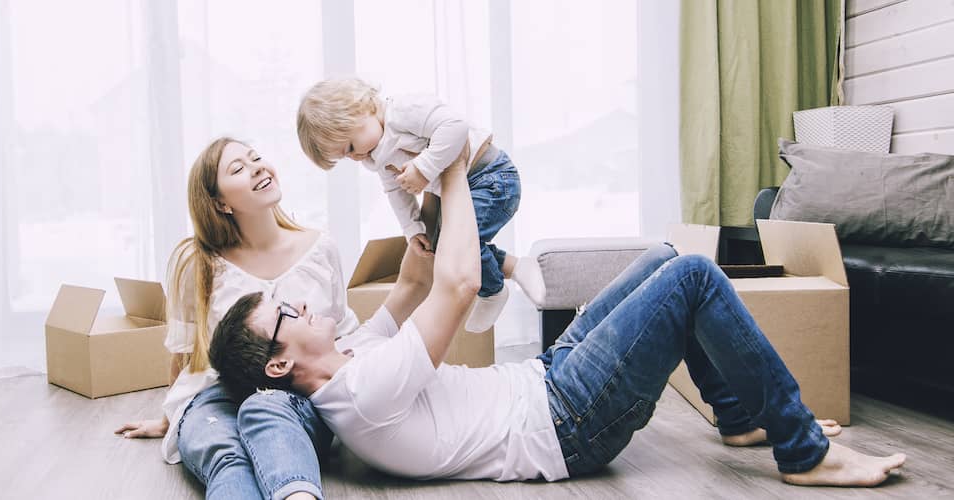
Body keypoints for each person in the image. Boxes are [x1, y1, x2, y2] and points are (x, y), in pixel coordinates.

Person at [208, 159, 907, 487]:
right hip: (567, 424)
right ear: (279, 364)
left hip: (545, 381)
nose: (303, 303)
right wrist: (457, 174)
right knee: (694, 277)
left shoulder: (355, 353)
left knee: (666, 258)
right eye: (287, 311)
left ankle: (733, 413)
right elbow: (455, 285)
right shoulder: (361, 392)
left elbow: (418, 281)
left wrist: (399, 177)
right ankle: (805, 452)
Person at [113, 137, 429, 499]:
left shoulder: (320, 248)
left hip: (296, 395)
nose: (257, 167)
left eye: (256, 158)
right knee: (228, 457)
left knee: (272, 422)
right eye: (238, 168)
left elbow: (342, 335)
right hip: (215, 395)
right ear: (219, 202)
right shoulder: (197, 262)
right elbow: (186, 354)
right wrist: (170, 421)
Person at [296, 77, 543, 333]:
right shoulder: (377, 153)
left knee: (460, 244)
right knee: (441, 247)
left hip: (492, 178)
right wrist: (413, 229)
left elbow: (454, 127)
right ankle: (515, 266)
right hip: (463, 190)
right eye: (346, 156)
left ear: (359, 109)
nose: (356, 157)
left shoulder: (402, 112)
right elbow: (395, 190)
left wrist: (424, 168)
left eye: (349, 146)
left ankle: (493, 291)